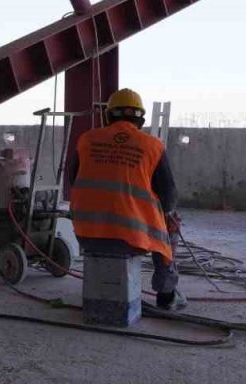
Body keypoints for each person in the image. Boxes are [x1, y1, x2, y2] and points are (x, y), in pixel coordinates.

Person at [65, 88, 186, 310]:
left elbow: (73, 180)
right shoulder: (152, 146)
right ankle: (166, 294)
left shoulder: (87, 140)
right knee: (171, 222)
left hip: (86, 234)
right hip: (131, 238)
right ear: (141, 118)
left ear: (108, 115)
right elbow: (169, 198)